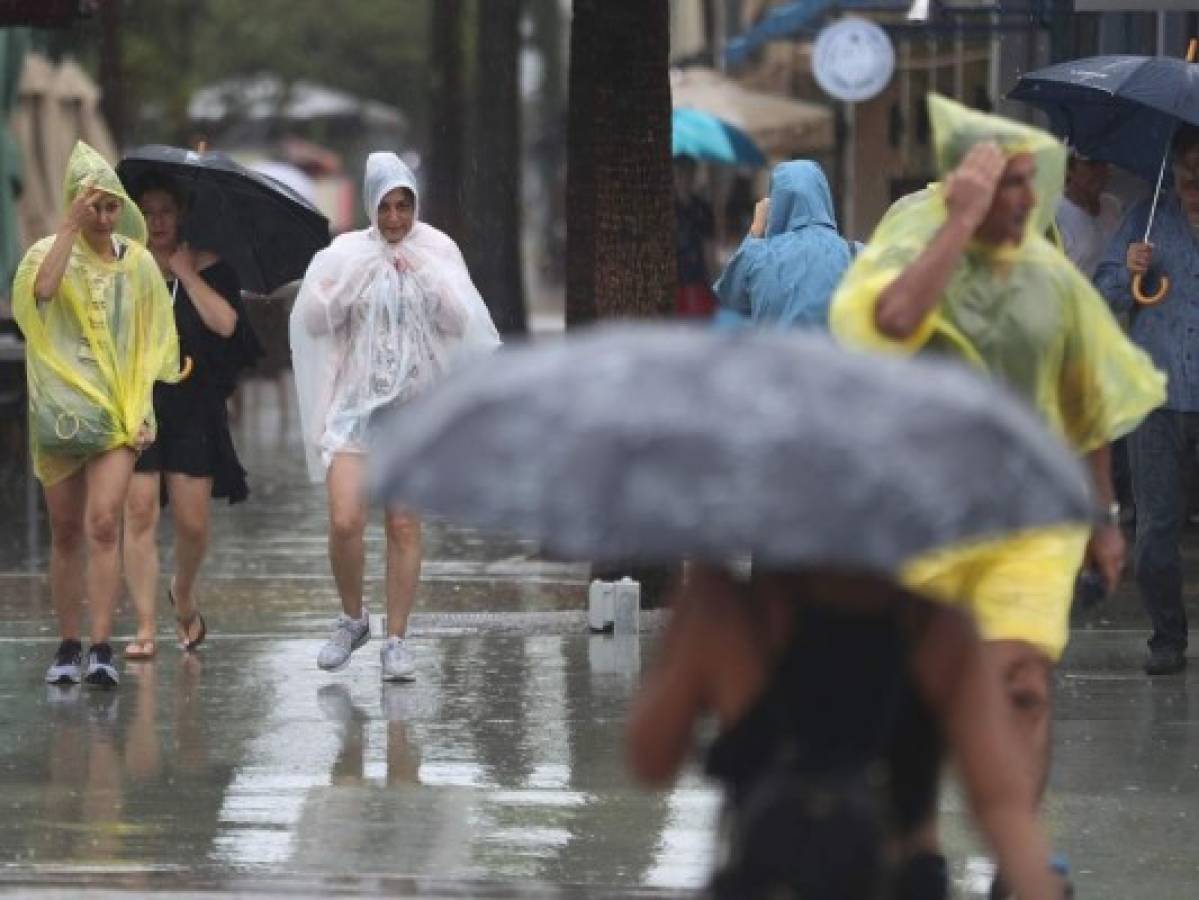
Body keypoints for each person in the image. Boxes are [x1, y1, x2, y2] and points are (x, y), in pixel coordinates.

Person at [830, 94, 1165, 898]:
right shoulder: (910, 231)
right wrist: (959, 224)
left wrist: (1101, 515)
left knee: (1023, 680)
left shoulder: (1036, 242)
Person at [627, 567, 1069, 900]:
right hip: (901, 878)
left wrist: (685, 632)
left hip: (767, 878)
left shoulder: (724, 610)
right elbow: (1001, 805)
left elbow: (650, 759)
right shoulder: (938, 626)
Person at [290, 152, 500, 681]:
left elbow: (462, 321)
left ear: (415, 205)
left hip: (412, 409)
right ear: (370, 204)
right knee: (345, 520)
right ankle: (352, 616)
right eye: (384, 207)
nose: (393, 220)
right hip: (353, 407)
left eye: (403, 207)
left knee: (403, 523)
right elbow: (313, 318)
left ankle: (398, 639)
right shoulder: (347, 253)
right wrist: (351, 283)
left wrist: (425, 277)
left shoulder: (437, 250)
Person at [11, 141, 183, 688]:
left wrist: (144, 409)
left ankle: (103, 645)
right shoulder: (45, 252)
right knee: (65, 531)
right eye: (94, 207)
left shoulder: (137, 266)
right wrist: (68, 228)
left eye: (112, 207)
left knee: (104, 525)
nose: (105, 219)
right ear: (74, 205)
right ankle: (67, 643)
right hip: (61, 414)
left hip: (117, 415)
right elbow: (40, 292)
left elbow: (154, 339)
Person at [120, 172, 262, 659]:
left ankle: (183, 590)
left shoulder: (208, 265)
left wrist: (185, 272)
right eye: (147, 211)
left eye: (165, 211)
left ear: (180, 214)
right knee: (137, 512)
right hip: (138, 403)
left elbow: (226, 325)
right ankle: (143, 626)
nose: (157, 221)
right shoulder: (123, 267)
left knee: (192, 523)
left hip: (194, 405)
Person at [1095, 124, 1199, 676]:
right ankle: (1167, 637)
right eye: (1189, 178)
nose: (1195, 190)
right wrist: (1127, 270)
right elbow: (1104, 291)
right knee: (1157, 530)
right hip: (1156, 397)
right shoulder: (1147, 219)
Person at [713, 160, 858, 329]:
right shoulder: (855, 254)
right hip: (834, 355)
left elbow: (730, 298)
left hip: (775, 354)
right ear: (824, 197)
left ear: (775, 201)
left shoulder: (757, 255)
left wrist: (755, 230)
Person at [1055, 151, 1122, 279]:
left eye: (1104, 164)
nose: (1100, 171)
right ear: (1070, 169)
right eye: (1091, 164)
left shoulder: (1112, 206)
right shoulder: (1054, 214)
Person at [673, 157, 718, 318]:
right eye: (680, 173)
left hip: (697, 280)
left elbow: (709, 249)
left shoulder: (702, 209)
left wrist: (715, 282)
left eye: (688, 173)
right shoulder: (667, 208)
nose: (684, 178)